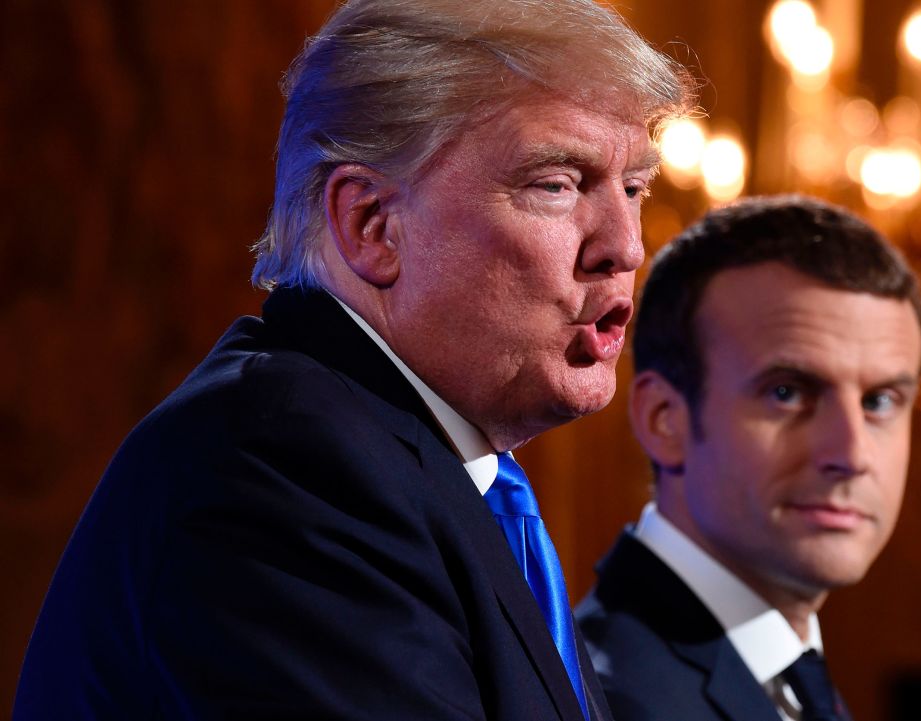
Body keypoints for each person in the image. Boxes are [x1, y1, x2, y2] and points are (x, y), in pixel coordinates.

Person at [15, 1, 693, 718]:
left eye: (633, 187)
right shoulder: (284, 466)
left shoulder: (431, 467)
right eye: (555, 183)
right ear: (371, 225)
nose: (625, 246)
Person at [575, 196, 921, 721]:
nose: (852, 454)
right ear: (664, 420)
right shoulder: (603, 698)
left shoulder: (791, 676)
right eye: (787, 392)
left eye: (879, 402)